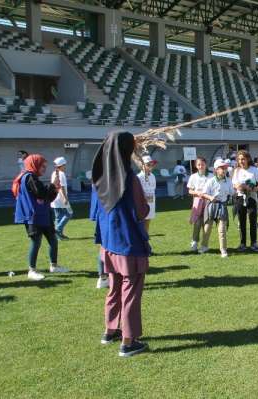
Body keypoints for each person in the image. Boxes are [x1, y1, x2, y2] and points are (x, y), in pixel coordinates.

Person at [92, 131, 150, 357]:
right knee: (130, 291)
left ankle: (111, 330)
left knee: (115, 288)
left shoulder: (99, 177)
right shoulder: (129, 178)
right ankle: (128, 341)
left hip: (109, 243)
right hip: (128, 244)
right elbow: (141, 210)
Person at [13, 154, 70, 281]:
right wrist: (52, 185)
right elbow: (41, 193)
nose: (44, 168)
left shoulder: (34, 178)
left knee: (53, 240)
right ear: (34, 164)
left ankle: (54, 266)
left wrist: (55, 189)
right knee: (36, 242)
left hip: (43, 214)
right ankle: (32, 270)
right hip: (34, 216)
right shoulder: (29, 177)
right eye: (42, 166)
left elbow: (47, 198)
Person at [232, 150, 258, 252]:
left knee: (253, 221)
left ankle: (254, 243)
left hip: (252, 198)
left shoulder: (254, 170)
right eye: (239, 159)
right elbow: (233, 184)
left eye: (243, 159)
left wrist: (254, 189)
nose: (241, 161)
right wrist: (239, 186)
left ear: (248, 159)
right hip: (240, 198)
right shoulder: (236, 170)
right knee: (241, 221)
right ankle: (242, 244)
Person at [201, 159, 233, 257]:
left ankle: (223, 250)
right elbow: (203, 193)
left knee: (222, 230)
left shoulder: (228, 181)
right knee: (207, 228)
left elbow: (232, 192)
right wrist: (210, 197)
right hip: (211, 206)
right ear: (216, 170)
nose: (224, 170)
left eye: (225, 168)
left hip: (222, 206)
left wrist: (233, 194)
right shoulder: (211, 181)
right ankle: (204, 247)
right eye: (221, 168)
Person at [187, 157, 212, 252]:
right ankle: (194, 242)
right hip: (197, 202)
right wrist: (197, 193)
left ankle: (204, 245)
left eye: (203, 164)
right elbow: (190, 190)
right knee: (197, 223)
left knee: (207, 223)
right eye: (199, 164)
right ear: (196, 166)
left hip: (208, 202)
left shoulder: (211, 176)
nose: (201, 166)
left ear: (206, 165)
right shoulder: (193, 176)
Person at [90, 185, 109, 289]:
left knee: (104, 247)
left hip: (103, 215)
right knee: (106, 247)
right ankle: (103, 277)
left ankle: (104, 277)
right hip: (107, 216)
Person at [51, 157, 72, 240]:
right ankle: (57, 230)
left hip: (54, 198)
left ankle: (59, 236)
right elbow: (61, 187)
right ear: (62, 165)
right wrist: (65, 198)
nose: (65, 166)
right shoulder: (61, 174)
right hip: (60, 198)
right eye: (64, 165)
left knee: (58, 217)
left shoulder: (54, 173)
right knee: (69, 214)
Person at [137, 155, 157, 234]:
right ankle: (141, 237)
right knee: (141, 220)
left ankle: (146, 237)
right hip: (142, 202)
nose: (151, 166)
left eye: (152, 164)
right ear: (143, 165)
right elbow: (137, 191)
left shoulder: (153, 176)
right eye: (148, 165)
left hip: (151, 201)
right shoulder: (139, 177)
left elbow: (153, 188)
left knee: (148, 220)